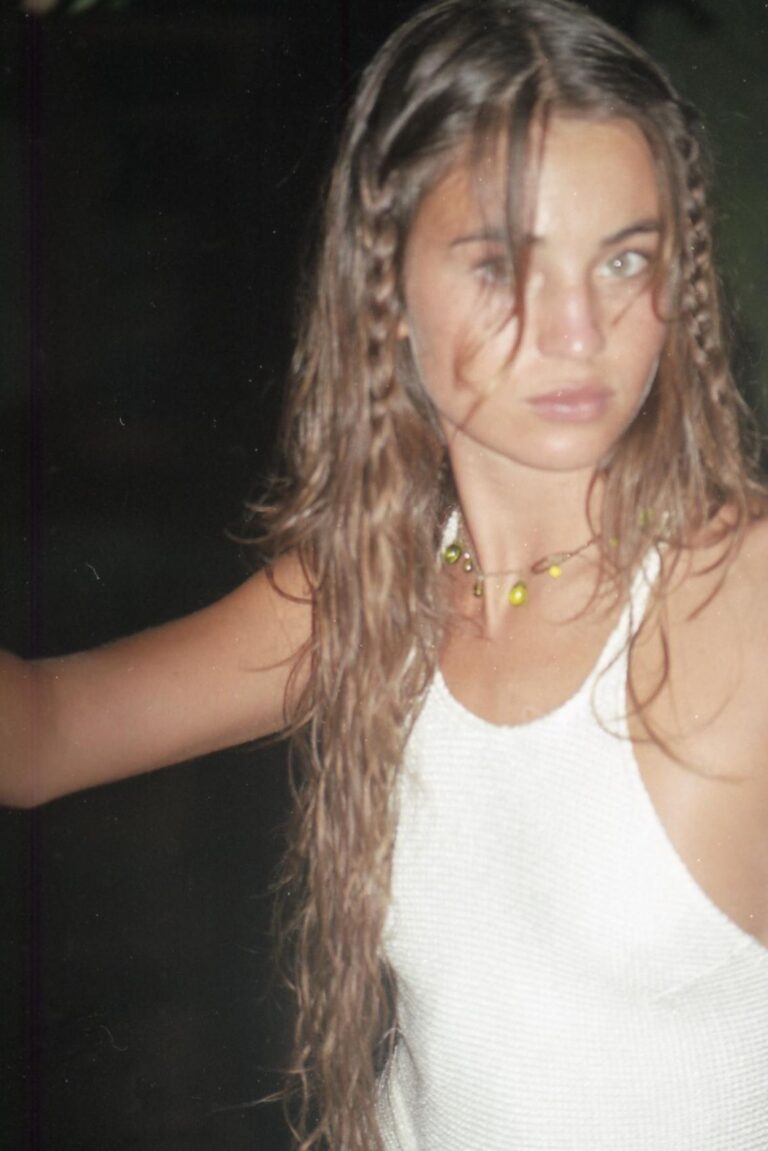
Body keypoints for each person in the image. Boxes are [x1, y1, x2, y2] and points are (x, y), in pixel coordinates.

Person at [3, 0, 768, 1147]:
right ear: (386, 286)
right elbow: (42, 731)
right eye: (502, 265)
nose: (578, 329)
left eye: (625, 259)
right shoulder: (363, 595)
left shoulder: (741, 594)